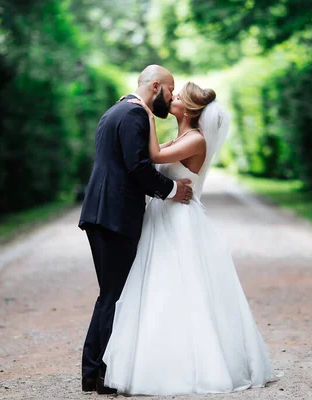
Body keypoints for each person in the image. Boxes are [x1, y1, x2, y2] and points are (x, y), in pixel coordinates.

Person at [102, 81, 275, 395]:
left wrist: (146, 114)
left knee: (181, 287)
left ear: (190, 110)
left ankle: (198, 366)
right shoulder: (182, 137)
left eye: (178, 97)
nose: (172, 97)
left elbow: (153, 155)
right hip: (163, 215)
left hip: (179, 220)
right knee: (159, 286)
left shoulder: (195, 139)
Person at [78, 65, 194, 394]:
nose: (171, 97)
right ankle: (98, 372)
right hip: (114, 216)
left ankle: (96, 372)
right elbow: (137, 166)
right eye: (170, 90)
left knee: (111, 294)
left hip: (103, 213)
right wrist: (173, 190)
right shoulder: (135, 115)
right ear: (155, 86)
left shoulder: (115, 110)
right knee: (114, 295)